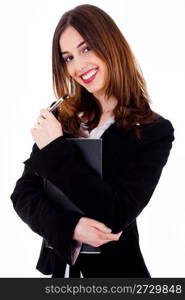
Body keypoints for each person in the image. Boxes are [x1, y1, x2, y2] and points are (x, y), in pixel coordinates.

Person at [10, 4, 174, 278]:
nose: (77, 66)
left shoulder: (153, 131)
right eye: (68, 57)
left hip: (118, 276)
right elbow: (23, 195)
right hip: (62, 275)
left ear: (110, 45)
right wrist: (69, 227)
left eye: (86, 49)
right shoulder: (60, 115)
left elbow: (115, 215)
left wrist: (54, 148)